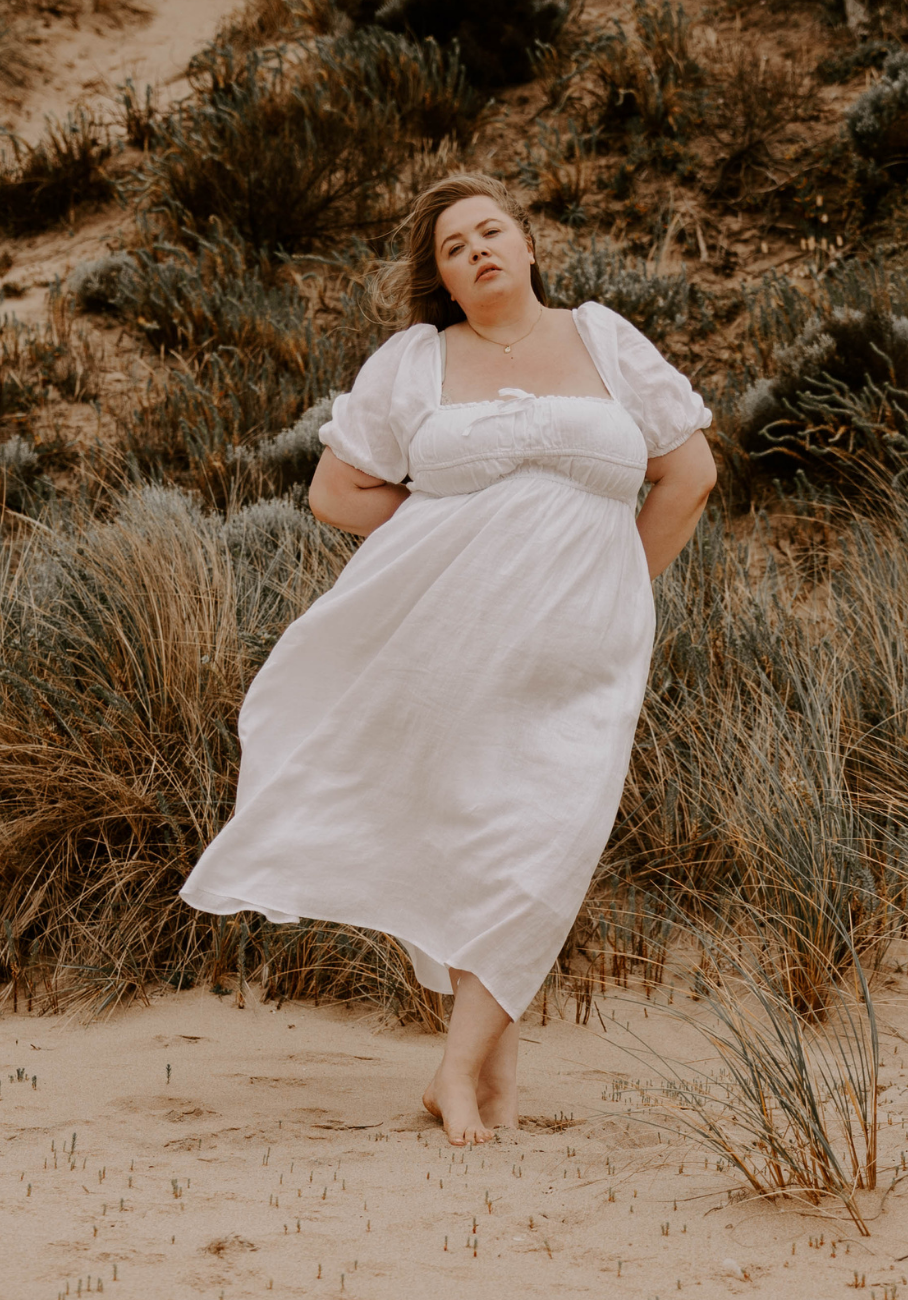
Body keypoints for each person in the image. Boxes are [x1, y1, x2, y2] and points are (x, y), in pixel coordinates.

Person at [179, 172, 717, 1148]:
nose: (476, 251)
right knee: (481, 838)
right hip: (450, 635)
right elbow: (336, 493)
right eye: (452, 248)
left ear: (526, 244)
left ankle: (461, 1076)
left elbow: (688, 472)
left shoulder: (601, 337)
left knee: (548, 836)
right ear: (443, 279)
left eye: (489, 231)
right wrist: (452, 528)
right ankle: (475, 1081)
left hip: (586, 644)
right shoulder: (416, 360)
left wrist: (618, 582)